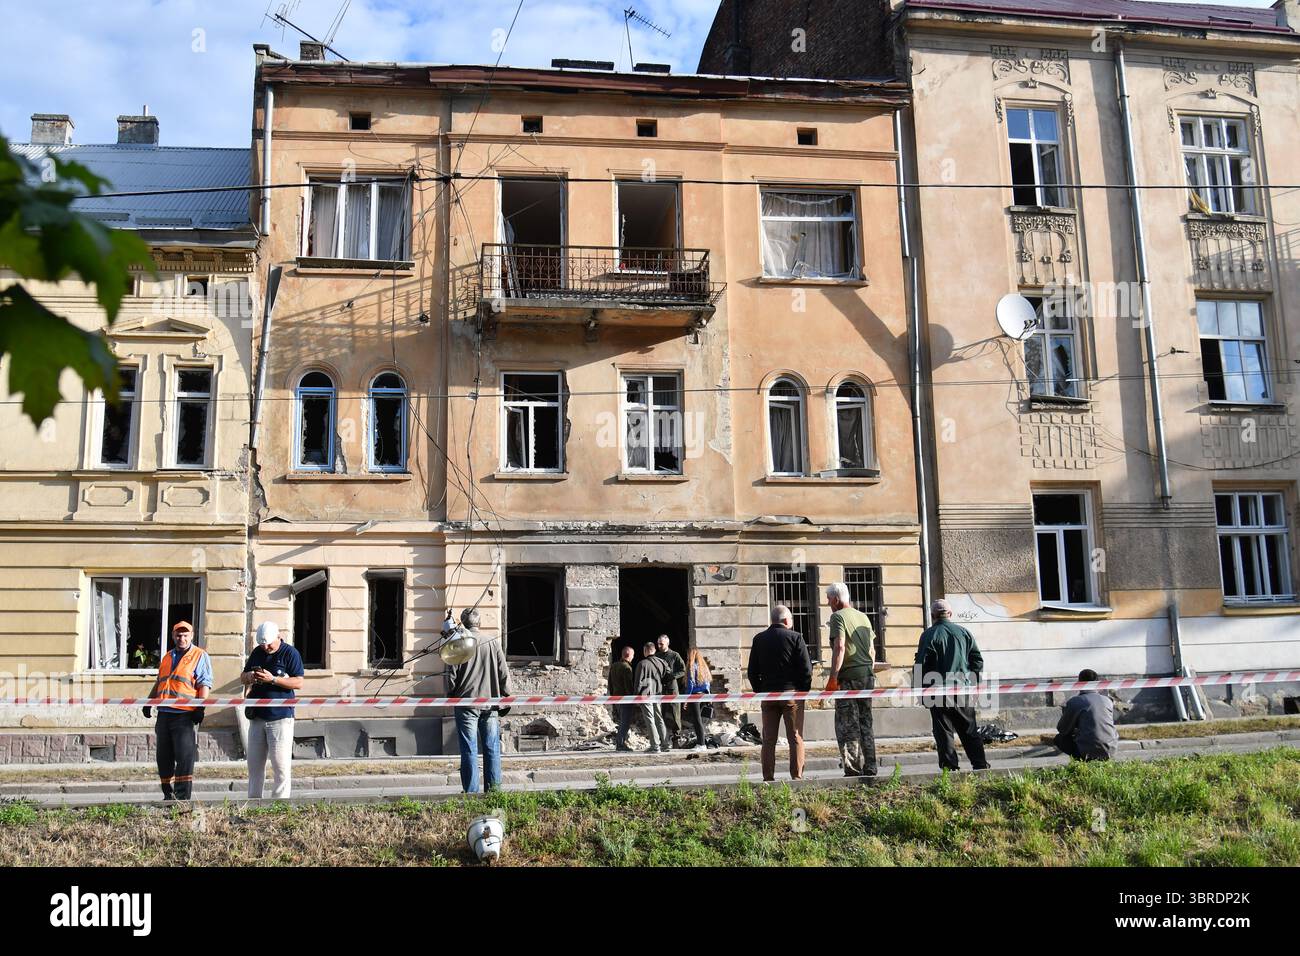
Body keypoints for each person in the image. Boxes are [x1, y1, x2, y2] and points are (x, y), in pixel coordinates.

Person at [914, 598, 990, 772]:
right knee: (969, 730)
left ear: (932, 615)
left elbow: (920, 664)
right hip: (962, 690)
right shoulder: (964, 633)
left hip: (937, 693)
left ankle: (950, 769)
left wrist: (919, 691)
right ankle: (980, 765)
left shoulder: (928, 635)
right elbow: (977, 660)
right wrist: (975, 684)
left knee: (943, 732)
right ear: (950, 614)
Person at [825, 582, 888, 777]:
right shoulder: (863, 617)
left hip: (848, 677)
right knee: (865, 722)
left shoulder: (837, 617)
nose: (828, 603)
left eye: (828, 600)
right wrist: (869, 669)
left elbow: (840, 647)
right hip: (867, 676)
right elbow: (871, 649)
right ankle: (871, 766)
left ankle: (853, 769)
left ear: (836, 599)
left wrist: (833, 677)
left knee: (848, 724)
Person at [143, 620, 212, 801]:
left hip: (184, 714)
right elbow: (160, 682)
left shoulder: (199, 655)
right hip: (164, 713)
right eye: (178, 635)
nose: (182, 638)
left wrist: (200, 707)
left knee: (184, 758)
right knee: (163, 758)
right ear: (173, 636)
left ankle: (182, 799)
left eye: (185, 635)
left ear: (191, 636)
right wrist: (149, 702)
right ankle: (168, 795)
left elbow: (204, 683)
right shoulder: (167, 657)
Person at [446, 608, 510, 792]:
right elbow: (503, 671)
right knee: (492, 748)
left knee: (469, 750)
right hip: (490, 704)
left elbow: (451, 675)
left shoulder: (459, 643)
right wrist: (506, 696)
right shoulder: (493, 642)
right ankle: (494, 791)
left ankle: (471, 793)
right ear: (479, 623)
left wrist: (450, 695)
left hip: (465, 704)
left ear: (463, 624)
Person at [747, 605, 812, 781]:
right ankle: (796, 776)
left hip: (768, 695)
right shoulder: (796, 637)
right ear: (786, 620)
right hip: (791, 694)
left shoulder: (759, 639)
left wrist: (760, 691)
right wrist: (803, 691)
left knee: (768, 739)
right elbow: (806, 669)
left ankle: (768, 777)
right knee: (795, 737)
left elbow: (752, 671)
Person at [240, 621, 304, 799]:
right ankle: (253, 802)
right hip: (257, 717)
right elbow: (242, 677)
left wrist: (273, 679)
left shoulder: (290, 653)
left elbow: (298, 682)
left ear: (278, 636)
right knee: (254, 766)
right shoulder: (257, 652)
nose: (266, 647)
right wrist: (250, 676)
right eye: (262, 644)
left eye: (269, 643)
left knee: (280, 766)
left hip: (280, 717)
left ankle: (280, 805)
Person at [1054, 669, 1119, 761]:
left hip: (1088, 752)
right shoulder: (1107, 700)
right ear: (1097, 683)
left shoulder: (1075, 701)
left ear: (1079, 683)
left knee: (1060, 739)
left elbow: (1062, 729)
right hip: (1111, 750)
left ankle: (1082, 760)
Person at [634, 641, 671, 753]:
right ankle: (665, 744)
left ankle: (655, 746)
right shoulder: (662, 662)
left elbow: (638, 682)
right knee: (659, 718)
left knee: (650, 719)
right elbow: (668, 676)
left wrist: (636, 696)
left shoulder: (642, 664)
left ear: (645, 651)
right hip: (658, 694)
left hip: (646, 695)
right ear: (654, 650)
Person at [656, 634, 687, 748]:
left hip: (672, 688)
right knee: (661, 714)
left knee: (675, 714)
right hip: (660, 688)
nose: (659, 645)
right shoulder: (657, 655)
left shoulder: (674, 655)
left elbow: (683, 670)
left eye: (661, 644)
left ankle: (676, 739)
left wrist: (673, 676)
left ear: (667, 644)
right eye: (658, 643)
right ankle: (662, 738)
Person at [608, 643, 637, 751]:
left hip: (616, 698)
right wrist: (632, 699)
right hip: (625, 699)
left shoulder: (614, 665)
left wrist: (612, 696)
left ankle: (620, 742)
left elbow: (610, 683)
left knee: (621, 721)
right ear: (628, 654)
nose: (633, 657)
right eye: (633, 655)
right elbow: (628, 686)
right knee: (625, 722)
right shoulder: (627, 668)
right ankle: (620, 744)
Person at [684, 647, 713, 751]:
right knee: (701, 721)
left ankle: (701, 744)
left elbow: (690, 685)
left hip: (695, 696)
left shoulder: (691, 667)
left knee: (697, 721)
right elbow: (708, 684)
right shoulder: (704, 667)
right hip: (704, 696)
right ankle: (701, 742)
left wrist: (686, 699)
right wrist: (709, 697)